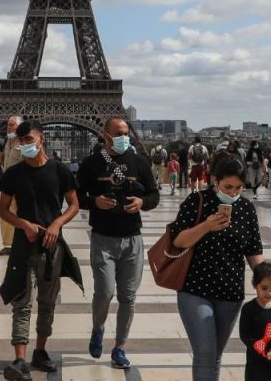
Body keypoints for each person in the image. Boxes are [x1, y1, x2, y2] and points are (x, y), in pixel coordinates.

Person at [0, 120, 82, 381]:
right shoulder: (13, 173)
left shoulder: (60, 170)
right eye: (21, 142)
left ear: (41, 138)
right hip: (24, 245)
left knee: (47, 301)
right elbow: (3, 210)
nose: (25, 145)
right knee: (22, 302)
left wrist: (57, 222)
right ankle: (20, 359)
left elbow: (74, 205)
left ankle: (40, 351)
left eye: (29, 140)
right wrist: (23, 224)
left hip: (51, 245)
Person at [168, 155, 265, 381]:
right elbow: (178, 240)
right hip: (195, 289)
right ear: (214, 181)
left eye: (238, 187)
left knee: (215, 355)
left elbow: (253, 250)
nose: (232, 193)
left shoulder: (247, 208)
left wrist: (267, 278)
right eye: (227, 187)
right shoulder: (197, 201)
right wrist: (206, 226)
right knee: (204, 354)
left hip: (230, 292)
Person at [76, 117, 159, 370]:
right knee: (104, 292)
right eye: (119, 133)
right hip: (102, 238)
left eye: (126, 133)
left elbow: (154, 194)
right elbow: (76, 197)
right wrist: (94, 202)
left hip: (132, 238)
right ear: (105, 134)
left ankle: (120, 347)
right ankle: (98, 328)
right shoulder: (91, 164)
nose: (125, 137)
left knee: (128, 297)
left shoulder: (139, 162)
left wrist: (142, 203)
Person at [0, 115, 24, 256]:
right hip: (7, 184)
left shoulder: (25, 142)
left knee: (23, 214)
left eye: (12, 125)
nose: (9, 127)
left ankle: (22, 243)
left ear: (19, 127)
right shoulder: (7, 142)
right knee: (5, 215)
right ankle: (8, 244)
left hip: (22, 184)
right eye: (8, 124)